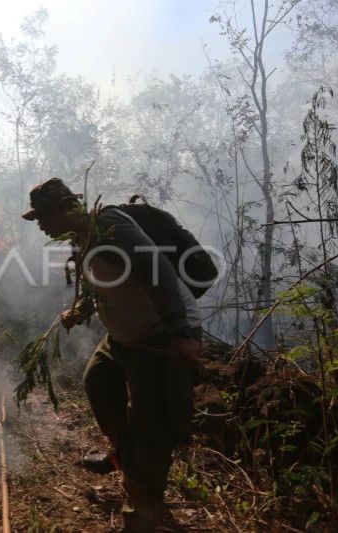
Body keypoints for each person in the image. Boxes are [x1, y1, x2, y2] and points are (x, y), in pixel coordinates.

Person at [22, 178, 204, 532]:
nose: (41, 225)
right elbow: (106, 284)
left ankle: (144, 501)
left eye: (42, 216)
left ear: (62, 209)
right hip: (125, 336)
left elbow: (158, 270)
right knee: (99, 380)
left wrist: (182, 334)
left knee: (150, 423)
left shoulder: (109, 227)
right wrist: (80, 310)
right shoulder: (84, 238)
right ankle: (123, 453)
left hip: (161, 335)